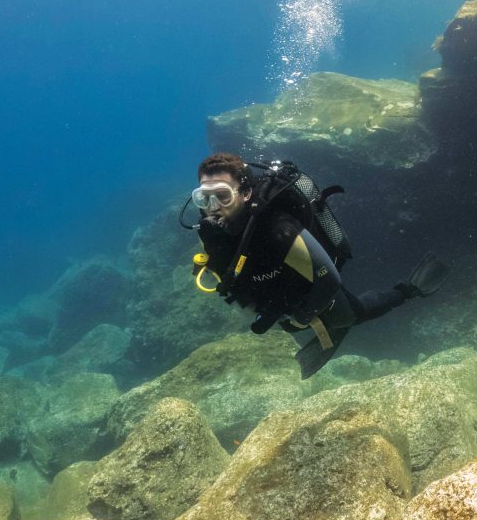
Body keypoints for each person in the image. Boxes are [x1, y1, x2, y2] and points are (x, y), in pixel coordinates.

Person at [190, 152, 449, 378]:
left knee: (350, 316)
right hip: (272, 292)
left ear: (246, 194)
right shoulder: (209, 231)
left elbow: (329, 279)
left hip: (309, 286)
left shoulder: (279, 229)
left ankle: (409, 289)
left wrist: (301, 316)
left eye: (222, 196)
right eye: (204, 198)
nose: (212, 208)